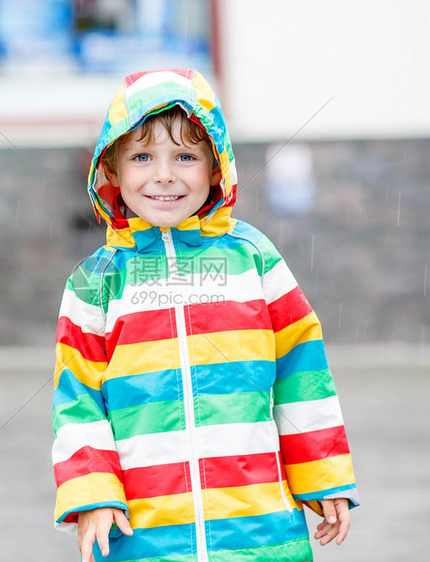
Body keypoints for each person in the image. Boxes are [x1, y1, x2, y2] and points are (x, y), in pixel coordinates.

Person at [51, 69, 359, 562]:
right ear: (111, 168)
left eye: (186, 156)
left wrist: (323, 474)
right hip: (146, 531)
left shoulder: (253, 258)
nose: (165, 175)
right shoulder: (95, 281)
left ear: (218, 168)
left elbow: (303, 370)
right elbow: (78, 400)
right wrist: (90, 495)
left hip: (258, 528)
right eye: (143, 156)